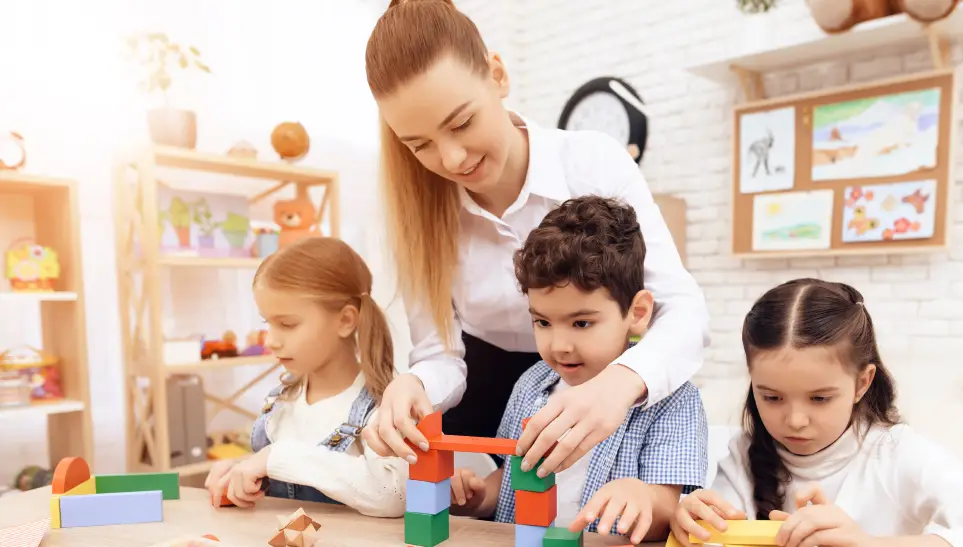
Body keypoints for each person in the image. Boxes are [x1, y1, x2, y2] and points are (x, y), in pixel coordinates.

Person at [361, 0, 710, 478]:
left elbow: (682, 309)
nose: (453, 158)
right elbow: (439, 356)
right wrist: (414, 384)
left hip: (600, 387)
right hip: (480, 406)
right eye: (419, 145)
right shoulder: (414, 213)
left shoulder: (592, 163)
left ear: (497, 75)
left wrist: (620, 383)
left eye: (461, 123)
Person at [669, 279, 963, 547]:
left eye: (820, 398)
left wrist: (870, 544)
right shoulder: (743, 453)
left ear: (862, 383)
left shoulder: (897, 455)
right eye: (771, 397)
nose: (794, 420)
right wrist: (690, 523)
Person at [446, 196, 708, 544]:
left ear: (638, 313)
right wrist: (479, 497)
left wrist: (642, 497)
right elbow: (511, 476)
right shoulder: (530, 384)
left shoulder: (674, 400)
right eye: (542, 322)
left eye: (581, 323)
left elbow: (666, 510)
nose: (559, 346)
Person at [205, 237, 408, 517]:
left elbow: (394, 496)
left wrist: (275, 458)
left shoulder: (385, 405)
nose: (271, 340)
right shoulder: (281, 401)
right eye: (268, 323)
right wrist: (242, 470)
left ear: (345, 321)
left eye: (287, 324)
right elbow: (280, 471)